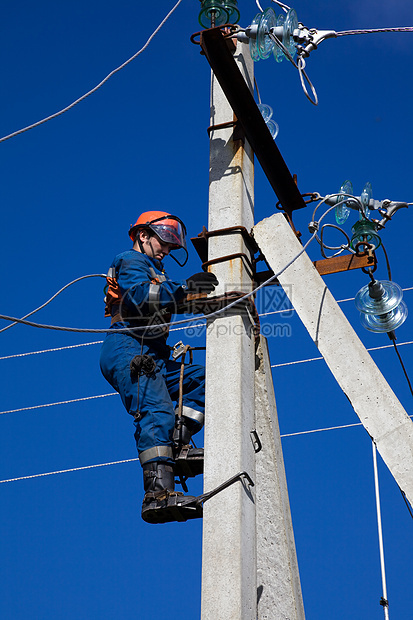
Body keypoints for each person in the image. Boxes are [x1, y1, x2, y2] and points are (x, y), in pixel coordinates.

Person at [99, 211, 218, 524]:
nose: (166, 249)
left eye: (171, 246)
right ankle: (157, 494)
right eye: (163, 241)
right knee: (157, 409)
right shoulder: (131, 260)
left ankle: (177, 445)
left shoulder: (158, 270)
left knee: (205, 380)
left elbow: (170, 297)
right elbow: (140, 296)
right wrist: (184, 291)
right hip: (130, 347)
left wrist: (203, 297)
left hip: (156, 351)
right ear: (143, 235)